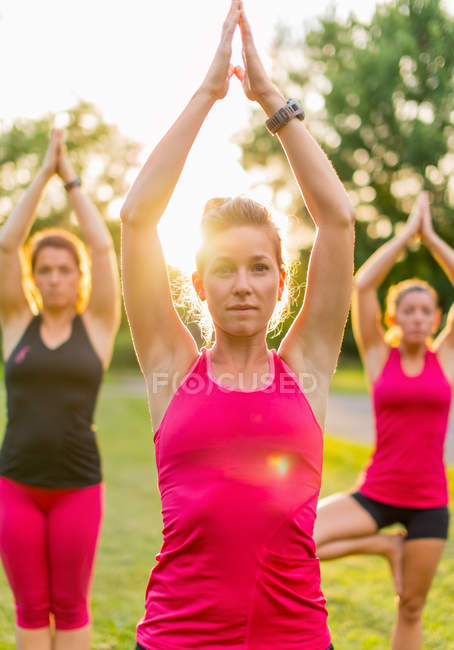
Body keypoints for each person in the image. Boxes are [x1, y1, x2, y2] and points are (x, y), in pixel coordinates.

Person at [120, 2, 354, 648]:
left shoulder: (305, 367)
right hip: (177, 638)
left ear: (283, 280)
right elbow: (138, 219)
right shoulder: (172, 366)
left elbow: (335, 222)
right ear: (198, 284)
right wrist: (206, 93)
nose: (244, 285)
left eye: (259, 267)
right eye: (224, 269)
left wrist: (271, 99)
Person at [313, 191, 454, 649]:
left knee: (411, 605)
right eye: (409, 310)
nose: (419, 318)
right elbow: (362, 285)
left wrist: (432, 237)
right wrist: (405, 235)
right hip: (377, 492)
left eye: (426, 311)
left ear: (436, 317)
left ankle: (393, 549)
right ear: (394, 317)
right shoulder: (380, 356)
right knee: (301, 537)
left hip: (428, 502)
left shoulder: (449, 357)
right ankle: (383, 545)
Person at [0, 129, 121, 650]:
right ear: (33, 278)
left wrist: (67, 177)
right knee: (30, 609)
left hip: (77, 487)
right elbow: (6, 242)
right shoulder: (13, 325)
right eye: (44, 271)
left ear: (79, 277)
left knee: (70, 607)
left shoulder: (96, 325)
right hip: (17, 485)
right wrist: (39, 175)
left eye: (63, 270)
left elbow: (101, 244)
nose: (53, 279)